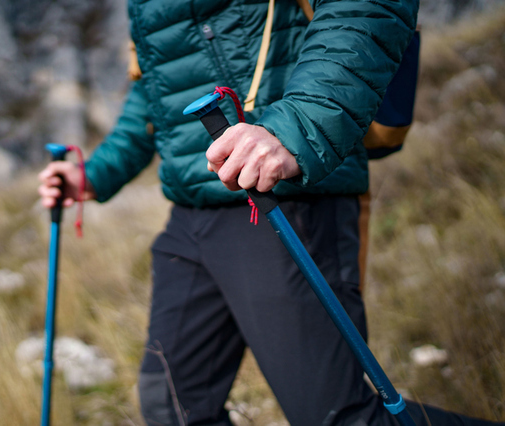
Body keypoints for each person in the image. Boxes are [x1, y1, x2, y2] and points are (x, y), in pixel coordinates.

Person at [39, 0, 504, 424]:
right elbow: (159, 85)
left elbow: (361, 8)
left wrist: (297, 125)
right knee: (173, 410)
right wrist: (94, 175)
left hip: (280, 198)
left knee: (335, 417)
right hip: (191, 216)